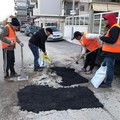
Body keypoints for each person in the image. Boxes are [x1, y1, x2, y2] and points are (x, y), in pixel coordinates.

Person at [99, 13, 120, 88]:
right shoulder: (112, 28)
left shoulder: (115, 28)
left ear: (110, 20)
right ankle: (100, 79)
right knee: (104, 66)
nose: (104, 22)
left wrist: (102, 38)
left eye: (105, 20)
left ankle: (108, 83)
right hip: (109, 52)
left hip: (112, 53)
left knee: (109, 68)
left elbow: (112, 40)